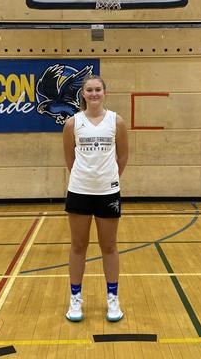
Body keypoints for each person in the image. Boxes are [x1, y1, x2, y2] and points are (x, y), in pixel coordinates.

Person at [62, 75, 129, 322]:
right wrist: (85, 178)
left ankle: (112, 299)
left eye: (97, 89)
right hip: (79, 191)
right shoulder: (72, 123)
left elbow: (123, 156)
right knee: (78, 246)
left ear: (104, 92)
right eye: (89, 90)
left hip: (107, 192)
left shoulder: (116, 121)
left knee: (109, 246)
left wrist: (108, 178)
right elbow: (70, 159)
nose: (93, 94)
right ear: (83, 94)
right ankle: (75, 299)